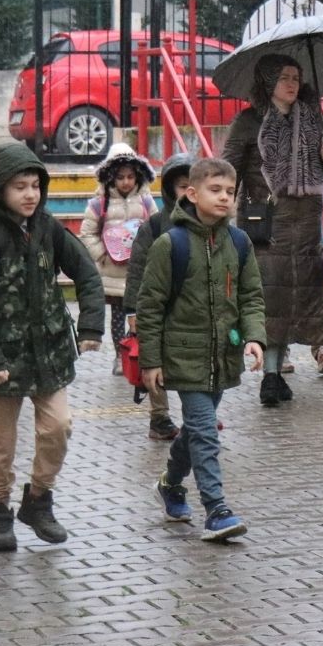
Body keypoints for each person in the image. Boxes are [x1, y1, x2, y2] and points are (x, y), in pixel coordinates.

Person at [0, 143, 105, 552]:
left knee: (58, 426)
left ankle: (38, 500)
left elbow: (87, 274)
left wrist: (92, 324)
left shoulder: (49, 228)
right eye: (19, 186)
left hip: (51, 353)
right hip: (2, 359)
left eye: (35, 185)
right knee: (0, 443)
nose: (30, 194)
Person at [136, 157, 265, 542]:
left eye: (230, 191)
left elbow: (251, 295)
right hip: (183, 356)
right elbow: (150, 305)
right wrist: (151, 361)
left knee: (195, 430)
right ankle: (216, 509)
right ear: (191, 194)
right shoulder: (169, 244)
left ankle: (170, 484)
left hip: (222, 357)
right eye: (215, 190)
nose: (225, 198)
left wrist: (255, 336)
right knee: (206, 432)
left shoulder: (239, 242)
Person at [222, 54, 323, 407]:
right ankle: (271, 376)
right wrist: (221, 208)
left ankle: (313, 348)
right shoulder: (249, 121)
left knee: (302, 291)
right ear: (268, 81)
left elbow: (319, 175)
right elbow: (227, 171)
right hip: (267, 223)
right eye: (284, 77)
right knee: (270, 296)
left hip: (305, 222)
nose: (292, 83)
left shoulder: (309, 120)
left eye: (296, 77)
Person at [124, 151, 195, 440]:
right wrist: (133, 312)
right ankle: (160, 418)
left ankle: (197, 418)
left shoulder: (211, 224)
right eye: (181, 185)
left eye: (193, 184)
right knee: (156, 361)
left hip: (192, 309)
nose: (188, 192)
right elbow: (137, 270)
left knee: (193, 363)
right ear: (169, 189)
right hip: (159, 309)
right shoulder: (154, 226)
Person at [78, 142, 156, 376]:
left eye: (131, 177)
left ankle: (140, 353)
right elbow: (87, 232)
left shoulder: (146, 202)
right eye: (120, 177)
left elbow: (155, 228)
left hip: (139, 271)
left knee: (141, 316)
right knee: (118, 318)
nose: (126, 182)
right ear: (110, 177)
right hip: (113, 271)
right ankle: (120, 356)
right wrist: (101, 253)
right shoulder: (98, 203)